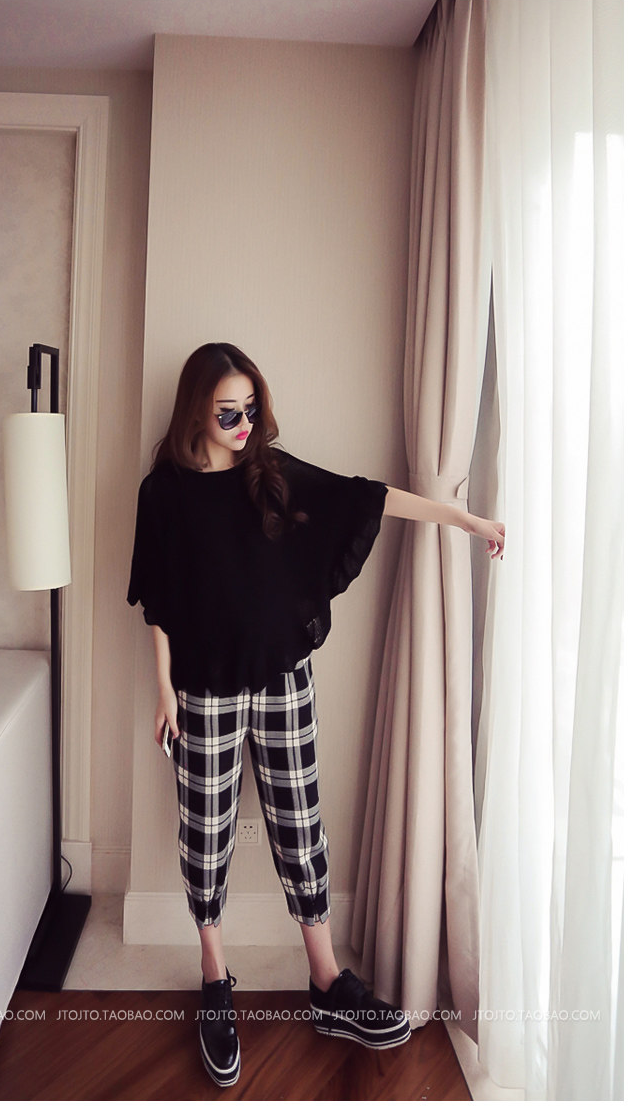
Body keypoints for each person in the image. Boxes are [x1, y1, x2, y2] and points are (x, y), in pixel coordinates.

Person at [127, 342, 504, 1088]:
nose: (244, 424)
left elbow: (364, 496)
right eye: (228, 412)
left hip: (284, 681)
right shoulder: (162, 492)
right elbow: (158, 600)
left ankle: (327, 982)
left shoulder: (271, 472)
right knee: (205, 832)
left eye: (251, 408)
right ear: (195, 412)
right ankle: (214, 978)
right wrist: (163, 689)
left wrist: (461, 519)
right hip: (202, 690)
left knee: (300, 824)